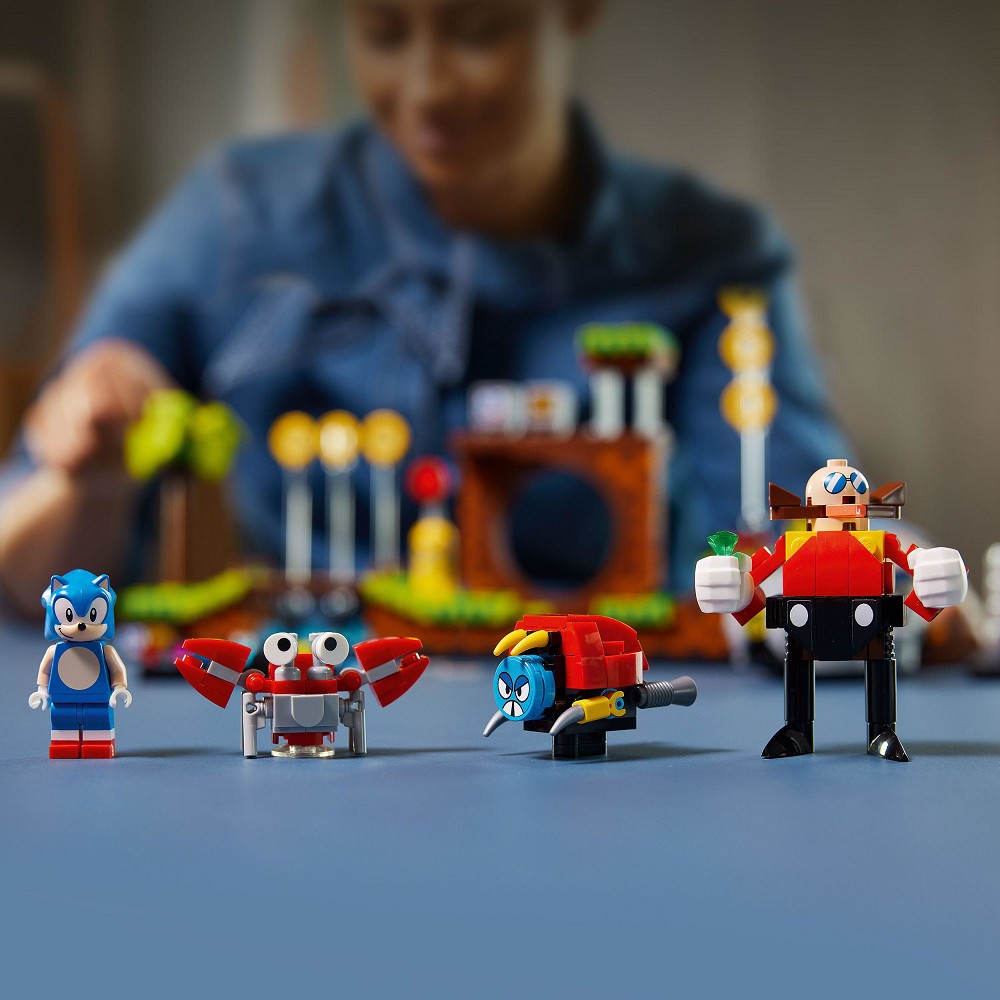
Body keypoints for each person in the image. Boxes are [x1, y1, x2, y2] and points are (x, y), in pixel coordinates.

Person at [0, 0, 846, 615]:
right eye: (383, 32)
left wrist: (875, 577)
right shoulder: (234, 217)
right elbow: (22, 572)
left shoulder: (713, 254)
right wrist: (91, 475)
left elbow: (801, 530)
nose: (428, 87)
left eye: (478, 30)